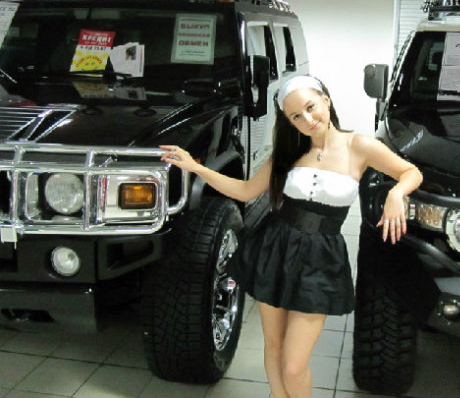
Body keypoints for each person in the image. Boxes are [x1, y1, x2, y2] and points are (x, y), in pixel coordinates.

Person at [160, 75, 423, 398]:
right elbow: (245, 191)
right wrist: (197, 169)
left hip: (320, 259)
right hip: (276, 248)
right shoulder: (288, 152)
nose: (307, 120)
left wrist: (396, 193)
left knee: (294, 367)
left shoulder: (360, 146)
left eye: (311, 107)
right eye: (296, 116)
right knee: (274, 346)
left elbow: (411, 172)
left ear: (326, 100)